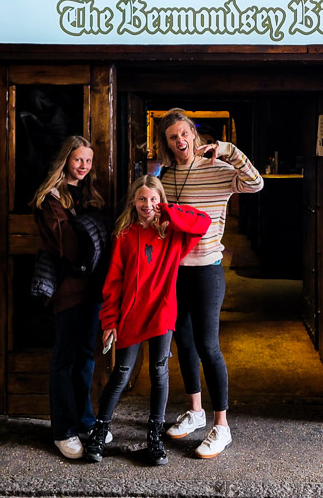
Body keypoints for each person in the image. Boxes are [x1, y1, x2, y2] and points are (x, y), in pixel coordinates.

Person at [157, 108, 264, 458]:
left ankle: (222, 426)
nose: (180, 141)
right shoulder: (167, 176)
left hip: (206, 270)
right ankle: (195, 411)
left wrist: (229, 149)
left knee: (208, 346)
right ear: (167, 143)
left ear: (194, 135)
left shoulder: (218, 171)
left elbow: (255, 183)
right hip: (175, 271)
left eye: (184, 133)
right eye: (173, 137)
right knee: (184, 344)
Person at [84, 175, 211, 466]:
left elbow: (201, 222)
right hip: (130, 314)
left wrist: (168, 212)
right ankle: (100, 431)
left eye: (154, 199)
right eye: (142, 199)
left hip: (162, 312)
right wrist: (109, 320)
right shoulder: (125, 235)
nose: (148, 204)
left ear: (161, 201)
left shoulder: (172, 234)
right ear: (133, 201)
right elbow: (113, 281)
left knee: (159, 371)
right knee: (122, 373)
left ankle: (154, 437)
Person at [32, 135, 108, 460]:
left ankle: (86, 421)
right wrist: (93, 232)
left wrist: (90, 231)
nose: (84, 166)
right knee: (64, 361)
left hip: (92, 288)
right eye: (78, 160)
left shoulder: (91, 195)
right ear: (66, 160)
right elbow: (70, 246)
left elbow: (98, 238)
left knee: (86, 359)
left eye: (88, 161)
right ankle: (63, 430)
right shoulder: (50, 199)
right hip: (66, 289)